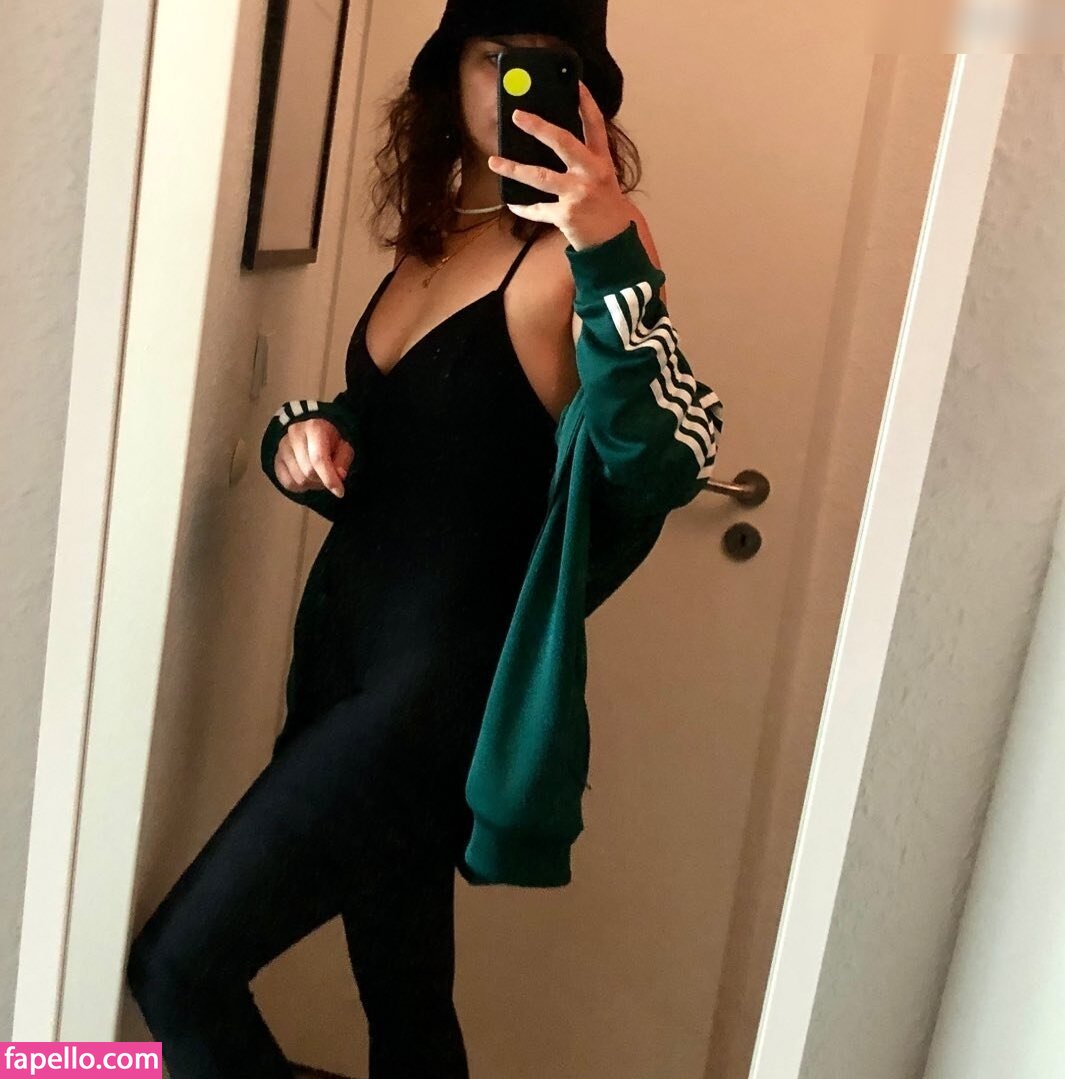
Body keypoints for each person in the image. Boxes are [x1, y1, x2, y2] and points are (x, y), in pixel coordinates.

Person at [124, 2, 716, 1076]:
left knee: (178, 968)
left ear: (586, 93)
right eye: (495, 57)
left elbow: (663, 454)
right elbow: (420, 436)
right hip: (345, 661)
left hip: (431, 695)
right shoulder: (442, 235)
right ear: (451, 73)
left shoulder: (580, 257)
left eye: (550, 63)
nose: (516, 82)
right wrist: (307, 437)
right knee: (405, 996)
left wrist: (609, 242)